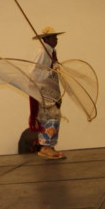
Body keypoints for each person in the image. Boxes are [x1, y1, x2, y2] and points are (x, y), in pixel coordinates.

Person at [29, 26, 66, 159]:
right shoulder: (43, 53)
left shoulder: (51, 52)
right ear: (47, 39)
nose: (56, 40)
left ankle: (49, 146)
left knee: (54, 117)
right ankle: (45, 146)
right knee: (49, 117)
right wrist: (51, 71)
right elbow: (34, 73)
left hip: (51, 91)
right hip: (44, 92)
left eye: (56, 37)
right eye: (54, 37)